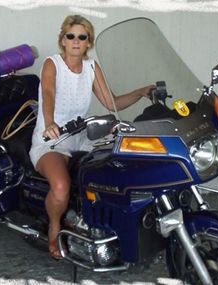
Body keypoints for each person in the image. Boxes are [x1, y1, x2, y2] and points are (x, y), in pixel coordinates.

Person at [29, 15, 154, 260]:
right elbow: (48, 92)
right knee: (62, 187)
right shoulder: (52, 64)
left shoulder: (91, 67)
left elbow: (111, 102)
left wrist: (141, 92)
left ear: (89, 42)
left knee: (115, 169)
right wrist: (50, 121)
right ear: (63, 40)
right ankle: (54, 227)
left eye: (82, 37)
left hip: (82, 138)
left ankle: (104, 226)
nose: (76, 41)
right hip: (52, 139)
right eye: (71, 36)